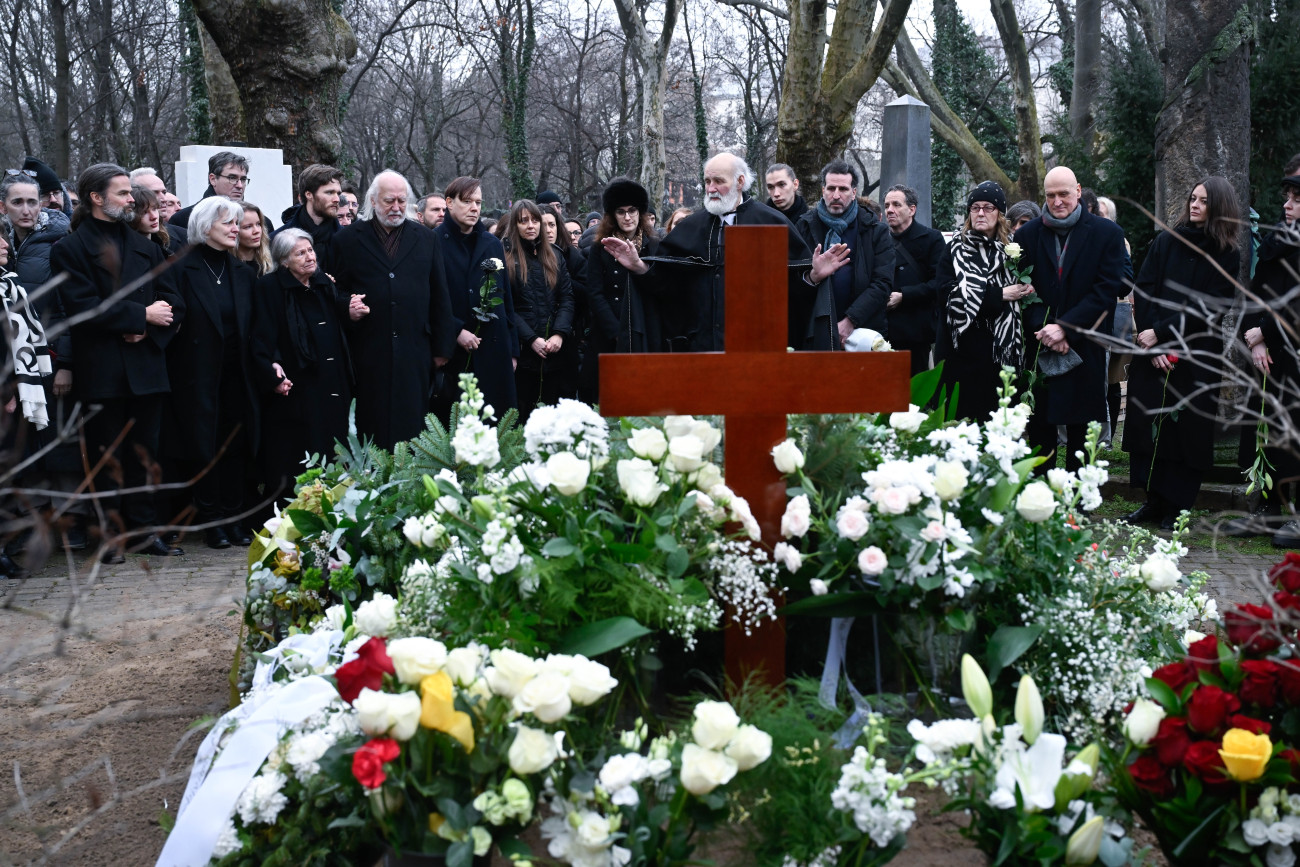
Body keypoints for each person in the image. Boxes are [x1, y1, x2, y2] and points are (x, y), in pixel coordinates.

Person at [51, 163, 185, 561]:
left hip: (146, 364)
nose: (134, 200)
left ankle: (145, 532)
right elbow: (82, 308)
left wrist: (149, 329)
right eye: (124, 193)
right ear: (96, 198)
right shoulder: (69, 249)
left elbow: (174, 302)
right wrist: (139, 316)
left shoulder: (146, 245)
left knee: (146, 455)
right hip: (103, 369)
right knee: (107, 456)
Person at [603, 153, 844, 352]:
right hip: (699, 347)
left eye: (718, 181)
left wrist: (814, 276)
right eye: (707, 181)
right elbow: (667, 286)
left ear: (740, 182)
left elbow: (790, 292)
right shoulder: (691, 226)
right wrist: (639, 267)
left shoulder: (771, 222)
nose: (711, 188)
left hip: (758, 348)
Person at [1121, 178, 1241, 530]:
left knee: (1186, 432)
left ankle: (1176, 506)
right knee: (1150, 427)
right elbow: (1144, 287)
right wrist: (1152, 337)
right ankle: (1152, 501)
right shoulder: (1166, 241)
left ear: (1219, 206)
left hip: (1196, 355)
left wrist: (1162, 333)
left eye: (1204, 201)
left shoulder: (1227, 255)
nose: (1195, 205)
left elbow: (1209, 308)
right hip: (1152, 347)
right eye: (1193, 198)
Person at [1014, 165, 1129, 471]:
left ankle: (1077, 504)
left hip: (1085, 343)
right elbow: (1025, 291)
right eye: (1050, 195)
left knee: (1081, 431)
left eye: (1064, 194)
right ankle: (1041, 501)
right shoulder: (1027, 235)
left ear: (1078, 191)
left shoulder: (1108, 234)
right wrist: (1045, 330)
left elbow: (1105, 292)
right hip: (1041, 345)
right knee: (1041, 427)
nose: (1057, 201)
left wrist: (1064, 329)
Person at [332, 170, 456, 449]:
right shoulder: (347, 240)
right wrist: (347, 308)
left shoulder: (426, 238)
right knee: (370, 426)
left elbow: (440, 294)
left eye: (402, 200)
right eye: (390, 201)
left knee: (412, 425)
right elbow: (335, 291)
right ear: (373, 201)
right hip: (367, 350)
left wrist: (441, 348)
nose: (397, 207)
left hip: (415, 349)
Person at [163, 196, 261, 549]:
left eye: (237, 223)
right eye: (229, 224)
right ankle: (211, 521)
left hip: (237, 374)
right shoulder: (179, 267)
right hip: (195, 375)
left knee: (235, 446)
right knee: (203, 448)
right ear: (206, 228)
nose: (237, 229)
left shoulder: (241, 272)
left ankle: (234, 519)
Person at [251, 229, 355, 503]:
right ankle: (295, 509)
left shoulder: (323, 282)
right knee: (298, 447)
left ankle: (332, 503)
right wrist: (270, 369)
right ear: (284, 261)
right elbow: (262, 334)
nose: (310, 257)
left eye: (310, 251)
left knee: (333, 442)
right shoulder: (270, 288)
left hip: (332, 378)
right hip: (298, 382)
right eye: (301, 253)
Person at [1233, 172, 1300, 545]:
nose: (1288, 204)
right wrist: (1254, 339)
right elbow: (1254, 293)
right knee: (1263, 429)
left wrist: (1267, 333)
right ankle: (1268, 508)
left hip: (1293, 355)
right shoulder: (1278, 242)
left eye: (1297, 198)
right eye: (1287, 196)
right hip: (1267, 358)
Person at [934, 181, 1033, 421]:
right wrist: (999, 294)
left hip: (999, 353)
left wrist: (1027, 288)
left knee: (997, 423)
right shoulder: (955, 248)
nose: (980, 213)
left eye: (988, 207)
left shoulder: (1012, 250)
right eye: (975, 207)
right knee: (961, 422)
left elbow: (1022, 290)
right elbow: (946, 294)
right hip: (960, 351)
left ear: (1000, 213)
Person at [432, 175, 518, 420]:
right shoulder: (433, 242)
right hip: (455, 354)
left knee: (497, 421)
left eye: (478, 202)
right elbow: (429, 298)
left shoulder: (491, 243)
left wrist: (511, 349)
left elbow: (505, 296)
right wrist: (455, 330)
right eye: (467, 201)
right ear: (449, 203)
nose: (475, 208)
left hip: (494, 347)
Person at [793, 159, 895, 349]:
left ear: (854, 192)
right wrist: (813, 277)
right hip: (813, 331)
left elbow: (882, 283)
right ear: (823, 190)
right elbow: (791, 285)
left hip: (864, 331)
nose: (836, 195)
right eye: (831, 188)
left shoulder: (875, 230)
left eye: (843, 189)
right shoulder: (804, 226)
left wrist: (850, 321)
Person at [503, 200, 575, 423]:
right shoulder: (506, 257)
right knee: (523, 413)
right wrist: (531, 338)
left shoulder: (554, 255)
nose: (531, 226)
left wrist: (559, 333)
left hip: (555, 348)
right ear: (515, 225)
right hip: (523, 350)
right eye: (524, 221)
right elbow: (507, 306)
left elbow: (566, 298)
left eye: (535, 220)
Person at [882, 184, 948, 374]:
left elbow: (939, 283)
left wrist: (904, 295)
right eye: (886, 205)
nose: (890, 210)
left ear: (912, 209)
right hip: (883, 331)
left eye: (896, 205)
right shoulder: (879, 237)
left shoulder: (932, 239)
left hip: (916, 332)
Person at [169, 151, 271, 232]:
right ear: (213, 179)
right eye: (232, 178)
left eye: (243, 179)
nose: (240, 185)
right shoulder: (183, 220)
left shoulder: (262, 222)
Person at [277, 164, 343, 267]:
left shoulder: (348, 239)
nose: (337, 199)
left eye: (338, 194)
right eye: (330, 193)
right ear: (309, 195)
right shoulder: (279, 240)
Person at [131, 168, 188, 248]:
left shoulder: (183, 236)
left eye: (164, 192)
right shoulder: (119, 244)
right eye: (154, 193)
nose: (164, 199)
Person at [129, 185, 180, 256]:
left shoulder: (165, 245)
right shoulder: (126, 252)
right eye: (144, 212)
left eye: (154, 209)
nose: (154, 217)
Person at [236, 203, 274, 276]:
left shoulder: (272, 262)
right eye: (248, 227)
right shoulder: (225, 266)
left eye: (258, 224)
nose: (257, 231)